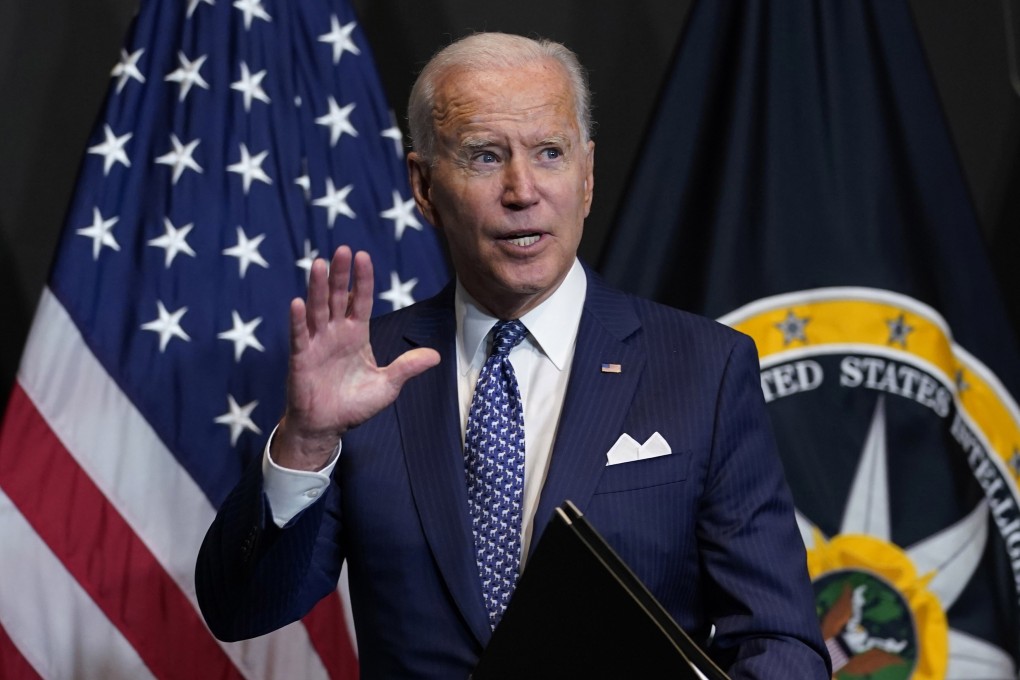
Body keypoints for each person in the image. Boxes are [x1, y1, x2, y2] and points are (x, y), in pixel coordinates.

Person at [196, 32, 831, 678]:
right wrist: (305, 443)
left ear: (586, 175)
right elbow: (241, 609)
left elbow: (782, 641)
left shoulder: (705, 369)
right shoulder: (366, 373)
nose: (521, 189)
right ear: (423, 186)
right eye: (484, 157)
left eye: (549, 153)